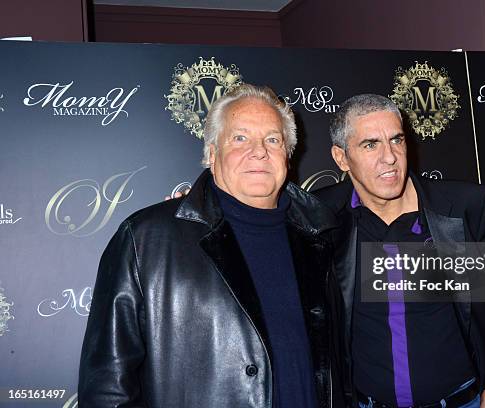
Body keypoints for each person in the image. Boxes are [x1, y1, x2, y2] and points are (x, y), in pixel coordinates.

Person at [78, 84, 342, 408]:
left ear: (287, 155)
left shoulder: (322, 238)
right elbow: (107, 389)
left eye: (272, 139)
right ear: (212, 154)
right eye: (240, 138)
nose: (259, 151)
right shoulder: (146, 240)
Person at [314, 94, 485, 408]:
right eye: (370, 144)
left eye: (396, 140)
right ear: (341, 158)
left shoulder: (467, 208)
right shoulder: (321, 216)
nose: (389, 157)